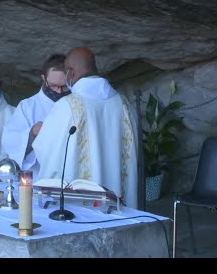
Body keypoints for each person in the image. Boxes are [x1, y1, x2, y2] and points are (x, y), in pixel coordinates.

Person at [32, 47, 139, 208]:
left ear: (70, 72)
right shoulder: (123, 104)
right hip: (118, 202)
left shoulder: (67, 106)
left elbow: (47, 151)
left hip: (78, 207)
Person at [1, 54, 70, 179]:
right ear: (44, 78)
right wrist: (32, 133)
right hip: (38, 177)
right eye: (54, 85)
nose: (59, 91)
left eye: (64, 86)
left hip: (70, 175)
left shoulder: (77, 104)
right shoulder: (27, 106)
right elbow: (11, 142)